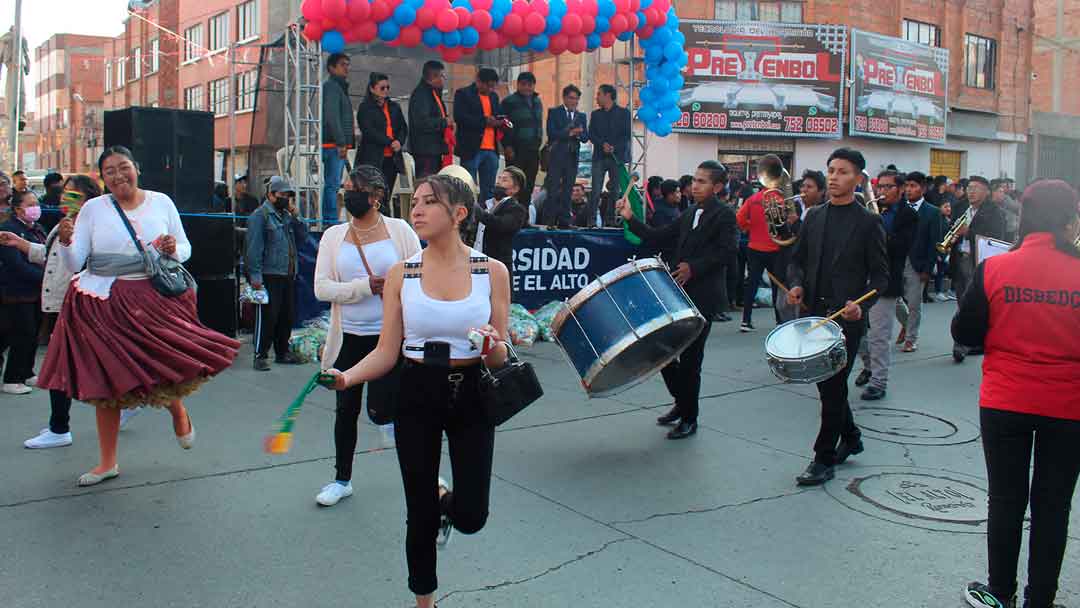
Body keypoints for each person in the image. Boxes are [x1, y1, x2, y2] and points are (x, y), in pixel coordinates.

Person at [322, 173, 510, 608]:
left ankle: (449, 503)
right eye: (416, 201)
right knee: (418, 512)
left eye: (430, 202)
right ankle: (424, 600)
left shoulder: (491, 271)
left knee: (472, 517)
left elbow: (501, 357)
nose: (417, 209)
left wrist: (491, 345)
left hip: (472, 396)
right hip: (416, 392)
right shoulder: (401, 274)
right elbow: (387, 351)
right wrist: (347, 376)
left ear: (459, 214)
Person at [36, 146, 240, 486]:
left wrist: (175, 249)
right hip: (101, 303)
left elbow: (185, 249)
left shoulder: (161, 202)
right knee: (107, 384)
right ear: (102, 178)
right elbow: (76, 263)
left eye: (123, 167)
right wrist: (69, 243)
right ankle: (107, 462)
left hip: (152, 299)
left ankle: (178, 410)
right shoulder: (92, 209)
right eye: (110, 171)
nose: (118, 176)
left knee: (161, 369)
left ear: (137, 168)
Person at [954, 180, 1080, 608]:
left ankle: (999, 593)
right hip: (1069, 407)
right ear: (1067, 219)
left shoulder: (996, 268)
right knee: (1053, 506)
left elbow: (965, 332)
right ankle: (1040, 600)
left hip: (1005, 401)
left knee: (1005, 500)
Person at [1, 176, 141, 448]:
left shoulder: (93, 225)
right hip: (61, 302)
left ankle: (61, 427)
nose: (66, 199)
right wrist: (20, 244)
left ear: (90, 199)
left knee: (62, 365)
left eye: (73, 194)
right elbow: (53, 256)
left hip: (78, 304)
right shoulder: (65, 224)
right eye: (65, 193)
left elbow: (82, 261)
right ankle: (127, 400)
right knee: (83, 362)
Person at [313, 165, 421, 507]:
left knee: (389, 408)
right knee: (345, 409)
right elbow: (321, 288)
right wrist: (363, 287)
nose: (348, 194)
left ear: (376, 197)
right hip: (348, 338)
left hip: (390, 336)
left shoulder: (399, 230)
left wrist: (395, 288)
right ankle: (341, 479)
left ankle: (422, 474)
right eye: (345, 187)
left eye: (355, 188)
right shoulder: (333, 236)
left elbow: (419, 273)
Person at [786, 147, 888, 486]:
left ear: (858, 179)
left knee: (831, 389)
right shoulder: (814, 216)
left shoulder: (869, 222)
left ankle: (823, 459)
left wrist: (863, 305)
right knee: (828, 387)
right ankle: (853, 437)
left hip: (847, 319)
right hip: (815, 315)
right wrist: (797, 285)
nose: (833, 176)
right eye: (831, 170)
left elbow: (881, 277)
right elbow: (796, 260)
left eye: (843, 171)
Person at [617, 161, 737, 440]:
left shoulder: (725, 215)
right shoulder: (691, 212)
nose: (695, 185)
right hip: (677, 295)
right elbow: (659, 237)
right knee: (662, 354)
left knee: (691, 359)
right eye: (694, 180)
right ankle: (681, 403)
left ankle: (689, 418)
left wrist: (693, 267)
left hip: (704, 297)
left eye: (703, 181)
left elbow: (728, 252)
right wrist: (630, 218)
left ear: (717, 187)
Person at [854, 170, 917, 400]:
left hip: (887, 280)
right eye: (880, 187)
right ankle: (869, 365)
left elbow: (900, 248)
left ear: (900, 190)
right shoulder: (869, 209)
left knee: (879, 335)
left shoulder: (908, 216)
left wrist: (877, 228)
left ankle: (879, 382)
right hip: (861, 278)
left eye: (888, 187)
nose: (882, 191)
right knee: (854, 331)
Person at [246, 176, 308, 371]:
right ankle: (260, 355)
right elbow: (253, 248)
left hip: (287, 273)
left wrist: (297, 217)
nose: (286, 199)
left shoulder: (287, 216)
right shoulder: (260, 216)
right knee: (267, 316)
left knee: (286, 315)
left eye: (288, 196)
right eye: (282, 195)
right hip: (269, 274)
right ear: (271, 195)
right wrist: (256, 277)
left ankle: (283, 352)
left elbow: (303, 237)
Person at [951, 175, 1007, 363]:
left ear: (986, 192)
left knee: (974, 302)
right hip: (959, 258)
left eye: (975, 188)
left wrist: (969, 233)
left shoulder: (994, 212)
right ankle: (964, 339)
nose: (971, 191)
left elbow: (995, 238)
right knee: (961, 299)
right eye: (969, 187)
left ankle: (966, 342)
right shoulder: (960, 208)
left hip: (978, 261)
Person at [0, 188, 46, 395]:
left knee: (33, 333)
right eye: (30, 205)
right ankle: (12, 378)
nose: (35, 208)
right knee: (21, 333)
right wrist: (44, 277)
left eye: (36, 204)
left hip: (37, 292)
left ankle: (27, 372)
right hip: (16, 291)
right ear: (18, 209)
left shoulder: (38, 229)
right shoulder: (8, 229)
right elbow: (15, 264)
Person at [736, 154, 785, 332]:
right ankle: (780, 321)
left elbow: (739, 219)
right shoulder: (781, 199)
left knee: (752, 284)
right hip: (775, 249)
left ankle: (746, 321)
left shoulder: (753, 199)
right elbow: (785, 226)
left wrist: (750, 228)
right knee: (777, 286)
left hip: (754, 247)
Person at [894, 171, 942, 353]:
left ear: (923, 188)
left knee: (914, 303)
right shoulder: (898, 208)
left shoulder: (932, 212)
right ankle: (907, 324)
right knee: (892, 298)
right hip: (897, 260)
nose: (908, 189)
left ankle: (911, 338)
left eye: (913, 186)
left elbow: (934, 243)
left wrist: (928, 269)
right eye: (906, 186)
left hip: (918, 263)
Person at [356, 72, 408, 215]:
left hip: (392, 158)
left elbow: (403, 128)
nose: (385, 91)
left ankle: (385, 220)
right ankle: (372, 219)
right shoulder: (365, 108)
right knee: (373, 193)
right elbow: (368, 131)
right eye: (382, 88)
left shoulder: (394, 107)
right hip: (373, 158)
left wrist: (399, 141)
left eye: (387, 87)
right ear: (372, 89)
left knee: (386, 193)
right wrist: (389, 141)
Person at [541, 85, 588, 227]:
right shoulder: (555, 112)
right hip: (556, 156)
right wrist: (570, 133)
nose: (574, 102)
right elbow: (552, 133)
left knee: (568, 191)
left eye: (577, 99)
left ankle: (564, 222)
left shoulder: (581, 116)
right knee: (553, 190)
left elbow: (586, 137)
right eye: (572, 98)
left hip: (572, 157)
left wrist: (579, 133)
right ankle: (549, 221)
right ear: (565, 98)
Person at [454, 68, 502, 205]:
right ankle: (470, 219)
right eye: (488, 85)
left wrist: (499, 121)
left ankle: (485, 219)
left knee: (489, 189)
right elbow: (460, 117)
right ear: (479, 81)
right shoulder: (463, 94)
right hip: (471, 148)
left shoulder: (493, 97)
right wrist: (484, 121)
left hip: (491, 149)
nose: (490, 89)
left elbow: (497, 114)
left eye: (493, 86)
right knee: (468, 187)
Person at [588, 84, 631, 228]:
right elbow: (591, 134)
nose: (596, 98)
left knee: (615, 190)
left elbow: (626, 135)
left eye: (599, 94)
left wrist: (614, 147)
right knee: (595, 190)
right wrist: (602, 145)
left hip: (616, 157)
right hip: (599, 156)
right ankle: (592, 220)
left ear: (607, 95)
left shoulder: (624, 113)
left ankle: (610, 219)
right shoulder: (595, 114)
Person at [473, 166, 527, 277]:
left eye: (504, 180)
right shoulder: (486, 204)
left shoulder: (517, 209)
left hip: (496, 267)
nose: (498, 182)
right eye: (499, 178)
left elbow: (501, 224)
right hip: (475, 262)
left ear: (515, 189)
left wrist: (478, 211)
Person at [500, 72, 544, 208]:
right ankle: (510, 215)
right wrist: (507, 146)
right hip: (516, 150)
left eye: (530, 85)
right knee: (513, 184)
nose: (527, 88)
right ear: (518, 85)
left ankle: (523, 217)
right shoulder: (509, 102)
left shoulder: (537, 101)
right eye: (523, 85)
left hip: (533, 149)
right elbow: (503, 126)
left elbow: (539, 124)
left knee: (528, 184)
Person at [321, 53, 355, 224]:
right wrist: (341, 142)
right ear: (331, 68)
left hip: (336, 143)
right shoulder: (332, 87)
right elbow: (332, 116)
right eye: (343, 64)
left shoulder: (338, 87)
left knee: (333, 184)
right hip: (332, 144)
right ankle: (330, 220)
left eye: (347, 64)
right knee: (332, 184)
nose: (346, 68)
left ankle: (330, 218)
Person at [409, 60, 453, 180]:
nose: (444, 79)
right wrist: (444, 122)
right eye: (442, 76)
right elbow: (421, 122)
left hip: (435, 149)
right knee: (426, 184)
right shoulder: (421, 95)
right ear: (433, 76)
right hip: (425, 151)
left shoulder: (433, 93)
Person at [991, 177, 1020, 242]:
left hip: (1009, 228)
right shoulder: (1006, 198)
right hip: (1005, 229)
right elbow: (1016, 208)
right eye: (1000, 191)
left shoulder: (1012, 196)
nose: (1011, 188)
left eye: (1011, 186)